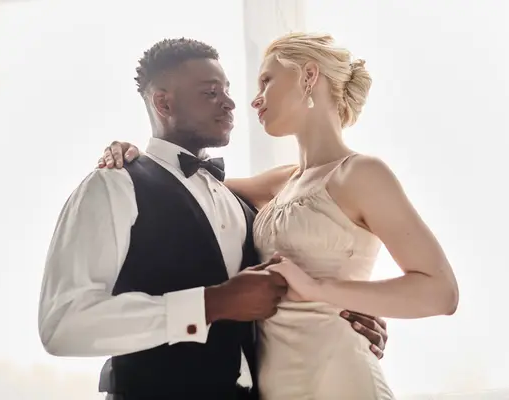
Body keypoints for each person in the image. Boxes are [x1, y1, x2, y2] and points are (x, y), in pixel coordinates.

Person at [100, 32, 459, 399]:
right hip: (274, 386)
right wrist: (134, 157)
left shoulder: (361, 174)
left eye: (266, 81)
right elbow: (180, 185)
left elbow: (440, 293)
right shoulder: (279, 182)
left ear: (308, 76)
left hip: (337, 376)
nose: (254, 100)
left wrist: (322, 291)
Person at [39, 37, 388, 400]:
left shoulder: (238, 200)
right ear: (163, 102)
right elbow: (63, 324)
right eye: (210, 93)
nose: (231, 103)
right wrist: (210, 304)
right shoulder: (114, 185)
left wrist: (348, 318)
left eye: (227, 89)